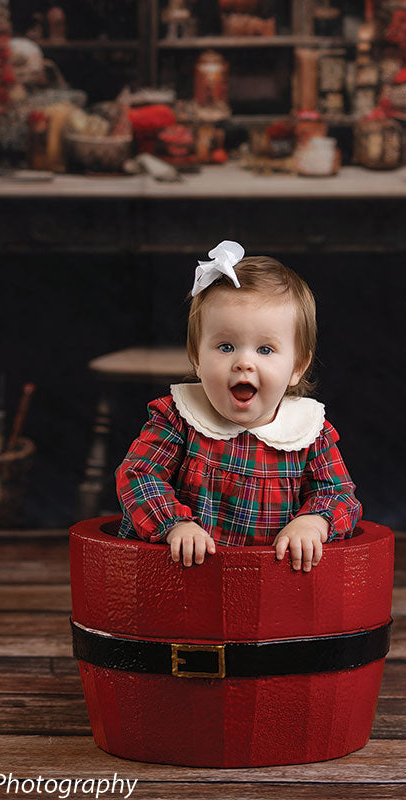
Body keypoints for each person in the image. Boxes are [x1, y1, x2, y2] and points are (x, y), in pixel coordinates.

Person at [115, 241, 362, 571]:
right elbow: (138, 475)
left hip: (271, 581)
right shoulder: (178, 418)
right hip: (183, 575)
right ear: (197, 358)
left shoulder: (307, 432)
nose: (244, 363)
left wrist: (313, 522)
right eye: (226, 346)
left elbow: (339, 494)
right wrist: (176, 524)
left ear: (297, 367)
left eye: (265, 350)